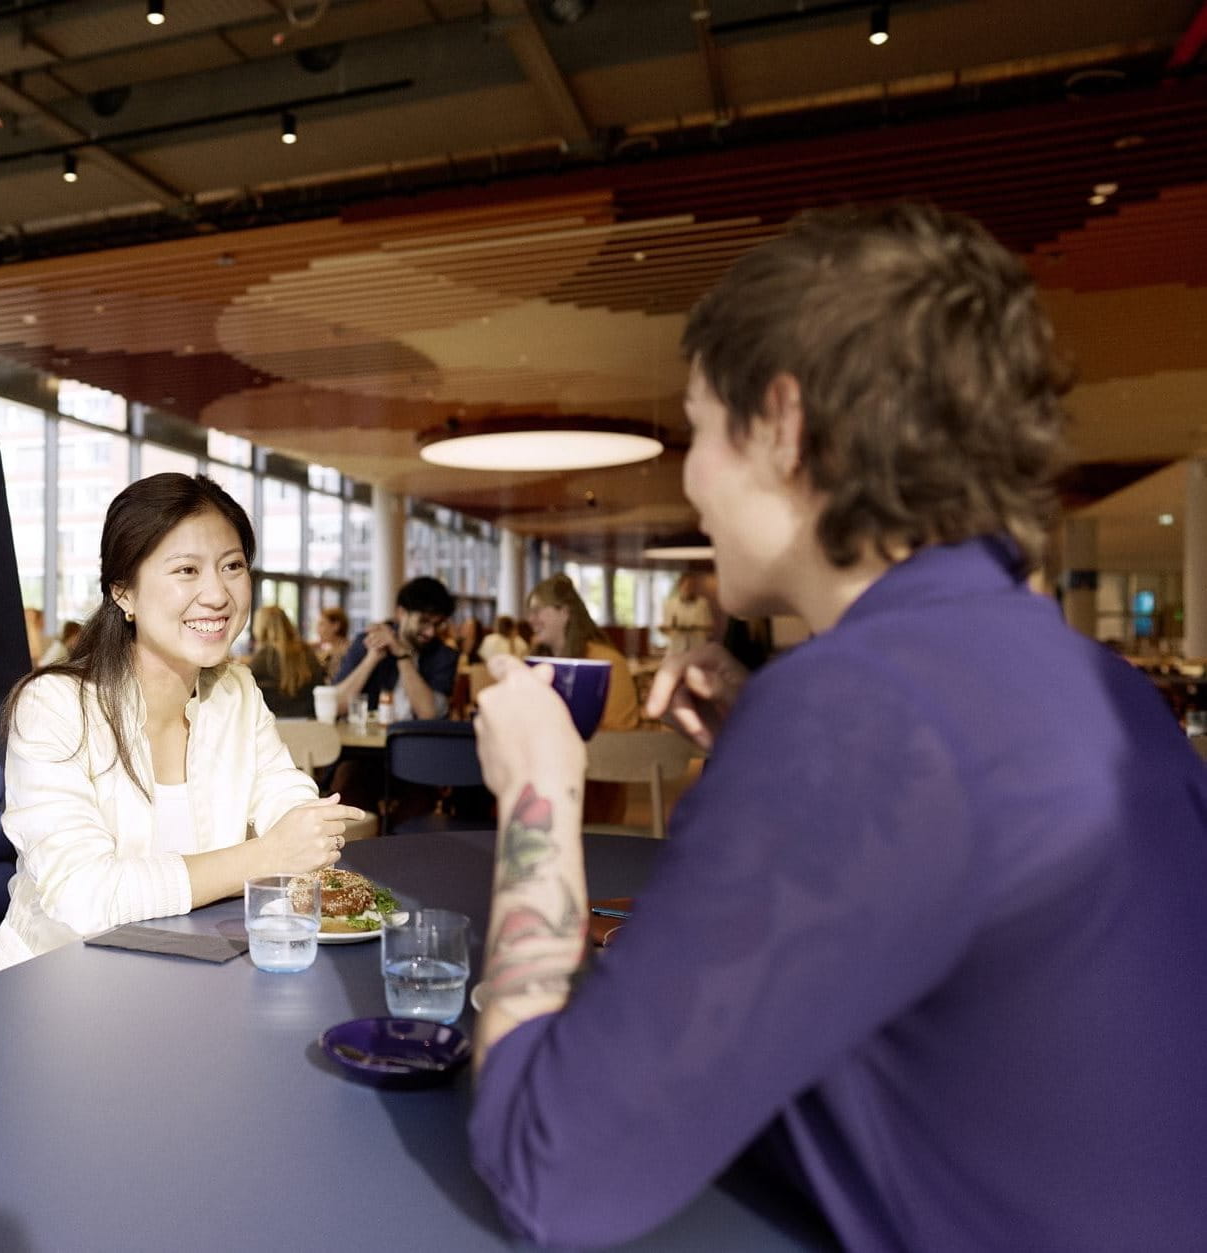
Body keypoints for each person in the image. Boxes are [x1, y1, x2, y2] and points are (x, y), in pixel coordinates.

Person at [466, 204, 1207, 1249]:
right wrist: (766, 757)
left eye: (696, 428)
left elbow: (552, 1169)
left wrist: (538, 786)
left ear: (780, 421)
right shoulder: (1094, 685)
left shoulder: (865, 709)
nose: (687, 478)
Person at [0, 474, 364, 980]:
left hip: (189, 974)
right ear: (123, 592)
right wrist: (268, 854)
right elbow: (84, 898)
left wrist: (305, 828)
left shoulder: (235, 690)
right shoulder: (55, 705)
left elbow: (283, 796)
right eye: (186, 570)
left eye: (233, 566)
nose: (217, 595)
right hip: (56, 985)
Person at [525, 572, 639, 824]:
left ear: (565, 612)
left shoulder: (607, 663)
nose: (530, 619)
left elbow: (620, 737)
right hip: (541, 789)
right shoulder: (534, 661)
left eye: (538, 610)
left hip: (594, 795)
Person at [330, 576, 458, 722]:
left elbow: (428, 714)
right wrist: (372, 658)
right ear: (401, 613)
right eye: (423, 622)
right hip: (365, 740)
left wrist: (402, 657)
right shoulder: (368, 642)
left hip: (418, 741)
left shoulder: (443, 656)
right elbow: (335, 706)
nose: (431, 632)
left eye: (437, 624)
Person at [247, 604, 327, 718]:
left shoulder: (264, 657)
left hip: (274, 725)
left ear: (260, 626)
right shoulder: (306, 652)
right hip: (309, 722)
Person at [658, 572, 714, 654]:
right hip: (677, 648)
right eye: (687, 586)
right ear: (680, 586)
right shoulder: (670, 604)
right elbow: (667, 628)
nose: (689, 589)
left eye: (692, 586)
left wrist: (696, 628)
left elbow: (710, 628)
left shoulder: (702, 604)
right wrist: (674, 628)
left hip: (697, 647)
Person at [314, 605, 351, 682]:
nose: (317, 630)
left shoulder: (348, 652)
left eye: (322, 624)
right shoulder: (325, 652)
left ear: (336, 626)